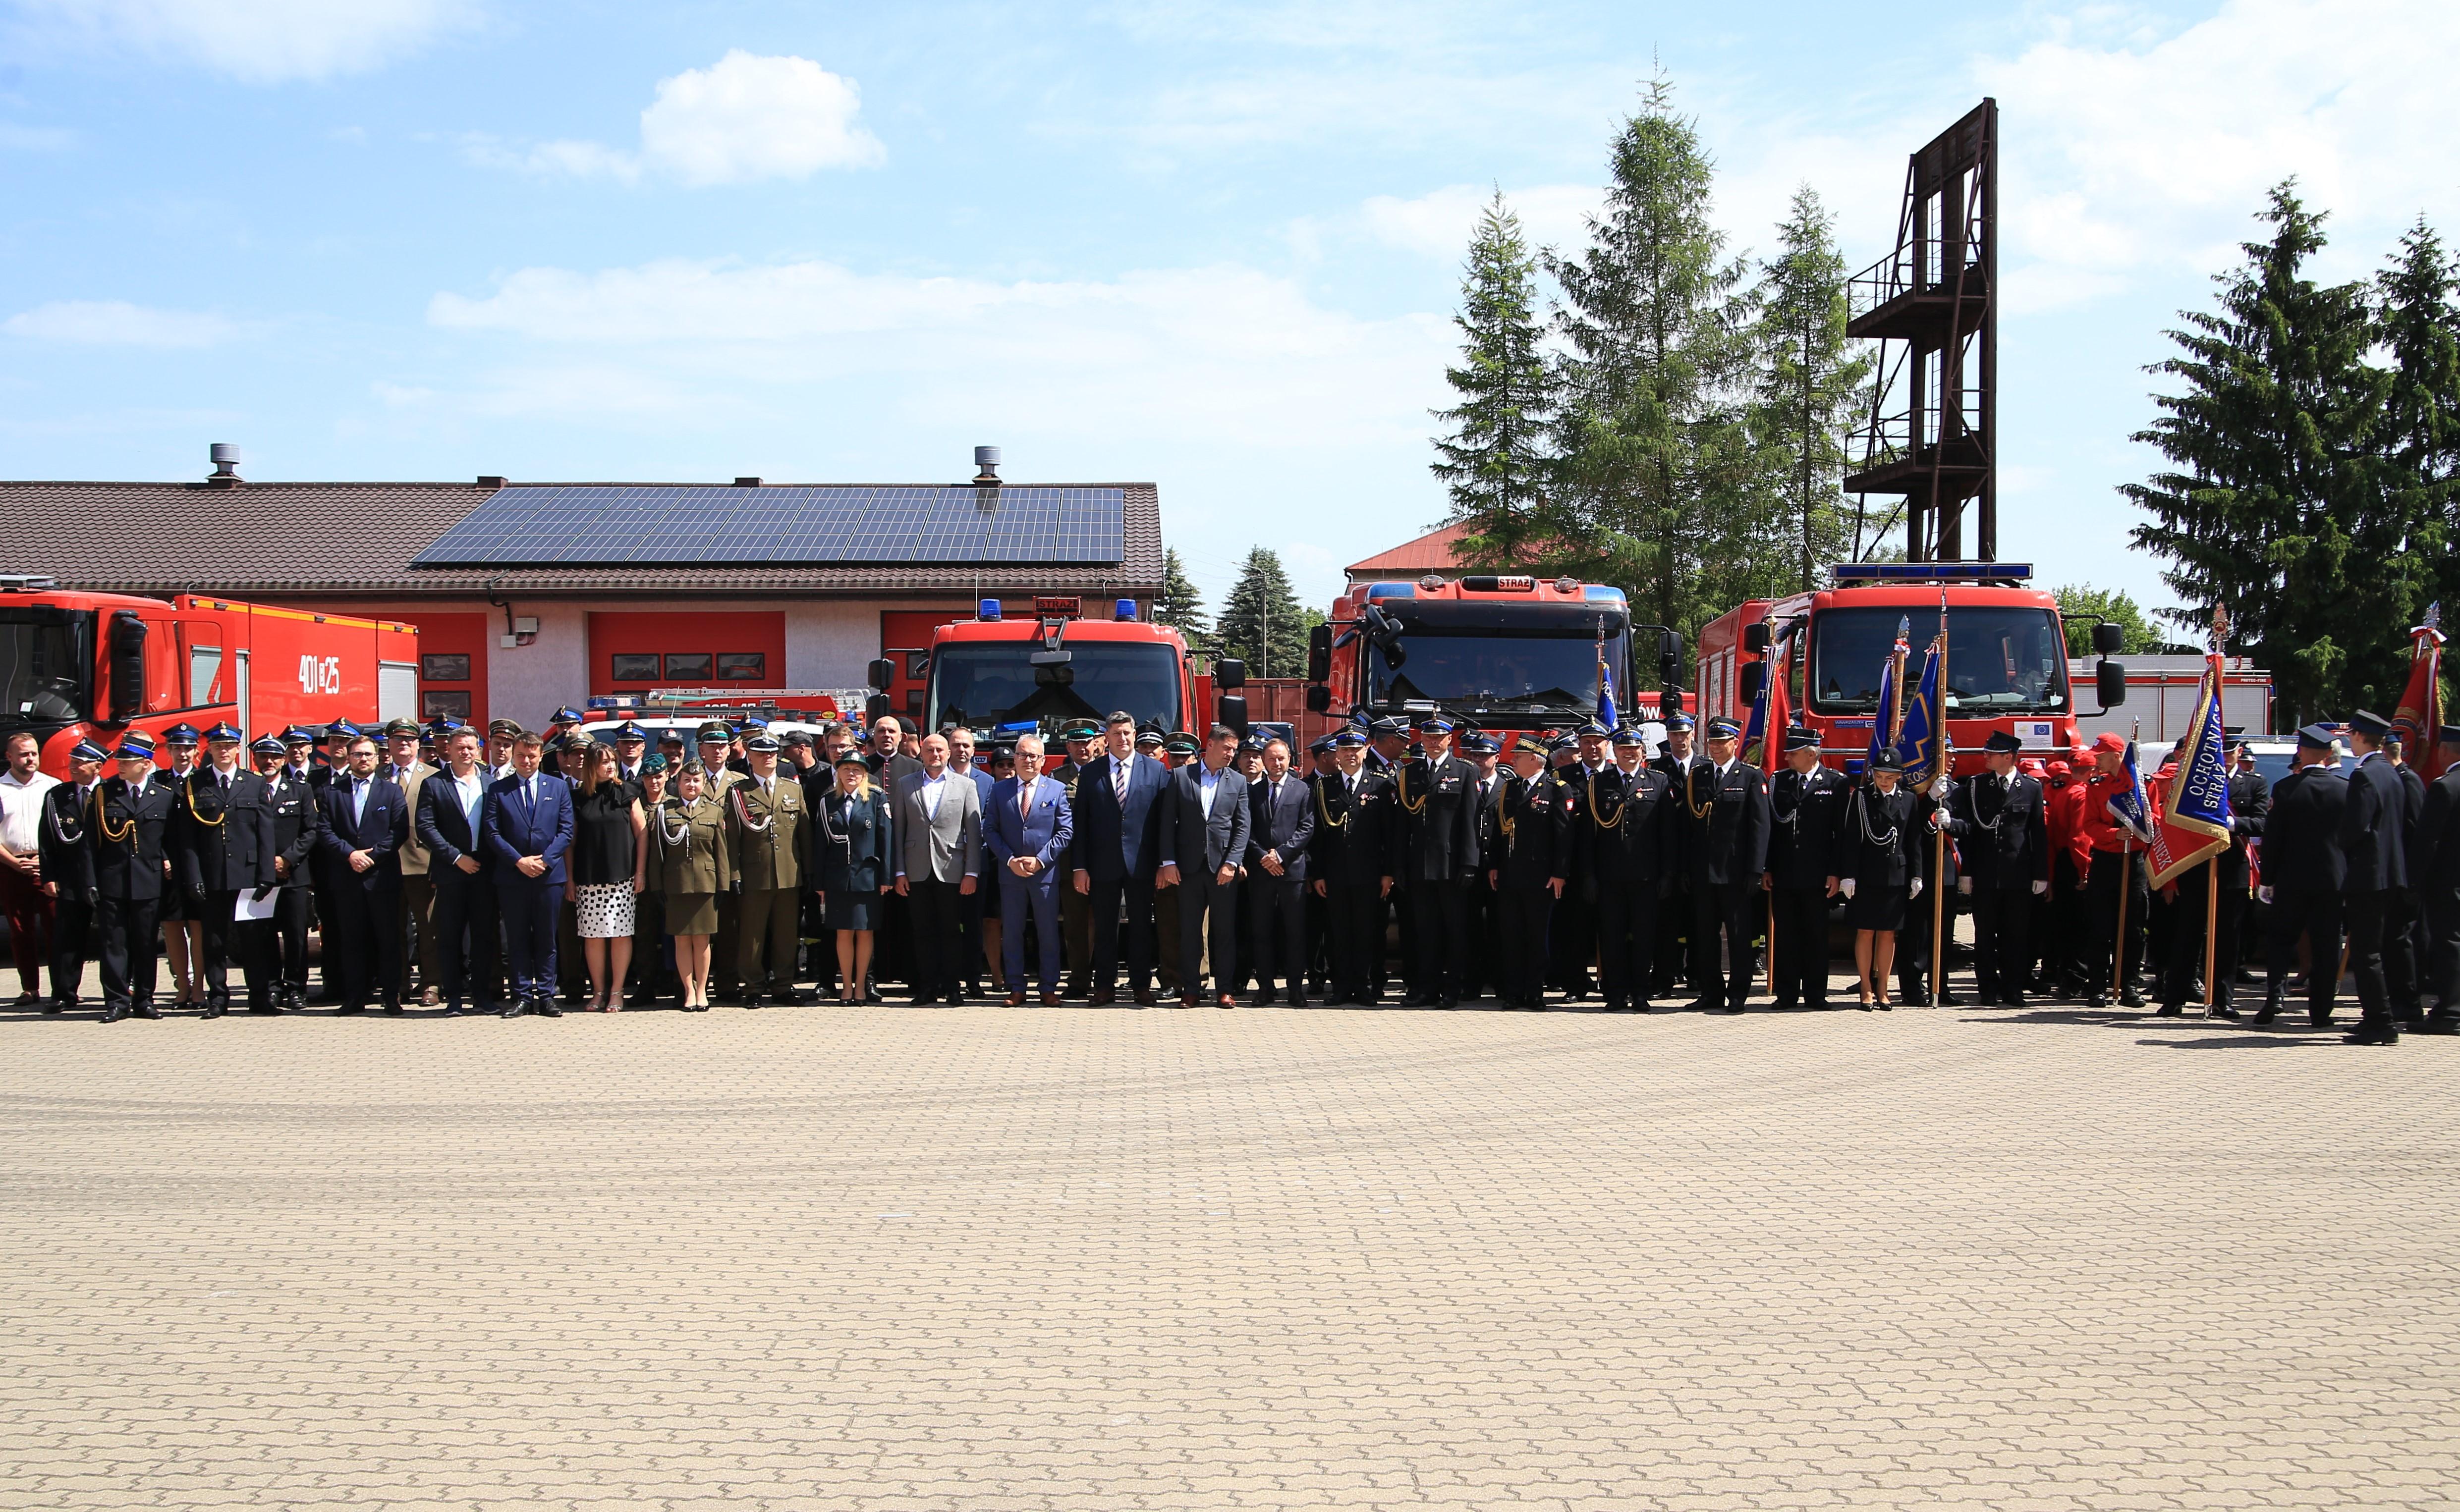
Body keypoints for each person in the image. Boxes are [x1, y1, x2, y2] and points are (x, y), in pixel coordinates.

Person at [1943, 730, 2051, 1007]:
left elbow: (2037, 834)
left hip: (2018, 875)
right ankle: (1988, 989)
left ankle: (2013, 988)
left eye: (1992, 753)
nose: (1986, 756)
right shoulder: (1977, 785)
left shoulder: (2031, 787)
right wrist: (1967, 871)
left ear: (2009, 757)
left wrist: (2041, 874)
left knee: (2015, 936)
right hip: (1986, 874)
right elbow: (1971, 832)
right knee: (1985, 936)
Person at [1070, 711, 1170, 1007]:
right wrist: (1080, 867)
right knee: (1105, 928)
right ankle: (1104, 986)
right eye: (1116, 733)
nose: (1122, 738)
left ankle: (1141, 986)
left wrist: (1164, 863)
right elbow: (1081, 824)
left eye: (1127, 733)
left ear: (1134, 735)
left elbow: (1164, 822)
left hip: (1143, 864)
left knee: (1141, 927)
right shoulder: (1091, 773)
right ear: (1107, 738)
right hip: (1103, 864)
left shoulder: (1156, 771)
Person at [172, 722, 271, 1020]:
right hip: (212, 874)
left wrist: (266, 875)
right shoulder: (196, 784)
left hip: (247, 874)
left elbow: (265, 833)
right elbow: (188, 839)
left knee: (253, 939)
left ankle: (259, 997)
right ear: (210, 750)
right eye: (218, 747)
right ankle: (217, 998)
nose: (224, 751)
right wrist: (194, 877)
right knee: (213, 940)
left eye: (228, 746)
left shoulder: (254, 783)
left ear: (238, 749)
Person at [1678, 716, 1772, 1014]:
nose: (1716, 747)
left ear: (1735, 743)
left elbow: (1760, 827)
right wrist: (1685, 868)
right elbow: (1688, 827)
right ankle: (1711, 993)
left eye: (1722, 742)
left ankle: (1738, 993)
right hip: (1703, 872)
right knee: (1705, 938)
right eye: (1713, 742)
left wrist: (1756, 870)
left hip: (1736, 873)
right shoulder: (1699, 775)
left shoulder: (1751, 777)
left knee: (1739, 937)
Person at [2257, 725, 2348, 1027]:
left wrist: (2267, 879)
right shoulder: (2345, 789)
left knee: (2281, 940)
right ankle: (2321, 1011)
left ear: (2301, 752)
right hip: (2332, 880)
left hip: (2291, 879)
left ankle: (2275, 997)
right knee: (2327, 945)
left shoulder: (2285, 789)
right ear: (2328, 754)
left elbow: (2273, 839)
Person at [1582, 727, 1677, 1012]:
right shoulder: (1599, 783)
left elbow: (1668, 834)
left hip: (1646, 876)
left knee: (1644, 938)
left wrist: (1667, 874)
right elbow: (1588, 835)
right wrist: (1589, 875)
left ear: (1642, 752)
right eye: (1623, 749)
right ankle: (1615, 994)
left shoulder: (1658, 782)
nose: (1629, 753)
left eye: (1634, 749)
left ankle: (1640, 993)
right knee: (1612, 937)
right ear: (1615, 752)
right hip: (1609, 876)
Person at [316, 734, 410, 1015]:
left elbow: (399, 831)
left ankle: (391, 997)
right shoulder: (332, 792)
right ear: (349, 758)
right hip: (347, 877)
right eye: (358, 754)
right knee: (352, 940)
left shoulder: (391, 791)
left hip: (382, 877)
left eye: (368, 754)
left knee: (388, 939)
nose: (363, 759)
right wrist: (350, 854)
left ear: (378, 758)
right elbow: (324, 831)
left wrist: (372, 856)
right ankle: (355, 997)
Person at [1393, 716, 1481, 1007]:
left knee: (1455, 932)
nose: (1432, 742)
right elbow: (1403, 825)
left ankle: (1452, 989)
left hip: (1451, 866)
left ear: (1449, 739)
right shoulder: (1410, 772)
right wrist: (1399, 865)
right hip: (1419, 866)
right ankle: (1426, 989)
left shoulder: (1465, 771)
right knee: (1425, 932)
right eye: (1428, 737)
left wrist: (1469, 864)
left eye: (1438, 737)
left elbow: (1470, 821)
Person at [484, 731, 573, 1019]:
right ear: (513, 756)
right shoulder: (499, 789)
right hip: (513, 876)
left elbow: (566, 830)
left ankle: (547, 996)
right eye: (521, 755)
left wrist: (545, 861)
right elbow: (492, 832)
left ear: (540, 756)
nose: (526, 761)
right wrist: (519, 861)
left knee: (547, 939)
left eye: (532, 756)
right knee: (518, 938)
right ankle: (521, 996)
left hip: (549, 877)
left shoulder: (558, 787)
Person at [1160, 725, 1250, 1008]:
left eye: (1234, 750)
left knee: (1223, 932)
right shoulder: (1180, 776)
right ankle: (1191, 990)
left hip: (1222, 868)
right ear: (1210, 745)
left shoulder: (1238, 781)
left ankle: (1224, 989)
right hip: (1188, 868)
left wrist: (1233, 862)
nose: (1231, 754)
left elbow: (1242, 826)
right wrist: (1169, 862)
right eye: (1227, 748)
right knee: (1190, 931)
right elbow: (1167, 823)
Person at [415, 726, 501, 1017]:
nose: (466, 752)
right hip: (451, 870)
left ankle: (482, 995)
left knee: (484, 936)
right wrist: (455, 857)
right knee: (450, 936)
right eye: (460, 747)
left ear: (479, 751)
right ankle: (453, 996)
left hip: (484, 870)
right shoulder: (434, 784)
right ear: (449, 750)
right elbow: (426, 827)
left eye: (470, 747)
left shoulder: (491, 784)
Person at [92, 736, 177, 1022]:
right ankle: (116, 1001)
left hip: (149, 880)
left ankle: (144, 999)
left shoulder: (163, 796)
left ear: (146, 764)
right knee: (114, 944)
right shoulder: (105, 793)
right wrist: (90, 880)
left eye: (127, 762)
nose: (121, 766)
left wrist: (168, 862)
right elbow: (90, 843)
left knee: (145, 943)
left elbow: (170, 840)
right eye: (120, 761)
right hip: (113, 880)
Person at [893, 733, 982, 1006]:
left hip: (952, 869)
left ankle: (953, 988)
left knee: (951, 931)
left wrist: (972, 872)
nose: (936, 755)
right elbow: (898, 830)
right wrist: (899, 871)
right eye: (930, 750)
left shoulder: (966, 785)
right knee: (922, 932)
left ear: (948, 753)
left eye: (940, 750)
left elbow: (974, 832)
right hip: (916, 870)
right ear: (922, 753)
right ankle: (927, 988)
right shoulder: (905, 784)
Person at [1309, 729, 1395, 1006]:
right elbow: (1318, 836)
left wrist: (1388, 872)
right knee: (1339, 933)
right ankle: (1342, 987)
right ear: (1337, 754)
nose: (1350, 755)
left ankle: (1365, 987)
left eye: (1355, 750)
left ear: (1365, 751)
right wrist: (1318, 874)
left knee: (1367, 932)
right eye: (1345, 750)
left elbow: (1390, 834)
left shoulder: (1380, 785)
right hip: (1335, 875)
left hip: (1370, 874)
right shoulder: (1325, 787)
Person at [1763, 728, 1846, 1011]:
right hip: (1785, 872)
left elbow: (1840, 834)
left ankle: (1815, 994)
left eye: (1793, 753)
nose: (1787, 758)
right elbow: (1772, 830)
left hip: (1818, 874)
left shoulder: (1835, 783)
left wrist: (1836, 872)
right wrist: (1768, 868)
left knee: (1816, 935)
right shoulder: (1780, 781)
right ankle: (1786, 994)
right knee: (1786, 936)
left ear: (1812, 755)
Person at [2339, 709, 2409, 1045]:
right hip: (2391, 873)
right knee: (2377, 949)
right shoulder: (2390, 772)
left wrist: (2342, 848)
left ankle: (2380, 1022)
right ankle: (2377, 1016)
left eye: (2351, 736)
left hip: (2368, 875)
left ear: (2358, 736)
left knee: (2366, 953)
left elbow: (2357, 827)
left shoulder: (2365, 775)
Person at [987, 732, 1072, 1005]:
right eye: (1023, 755)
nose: (1028, 760)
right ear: (1015, 758)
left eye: (1034, 756)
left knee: (1048, 933)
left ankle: (1048, 988)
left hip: (1044, 874)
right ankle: (1016, 987)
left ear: (1043, 760)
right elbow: (990, 830)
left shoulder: (1056, 789)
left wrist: (1041, 860)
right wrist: (1010, 860)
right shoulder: (999, 790)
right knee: (1012, 933)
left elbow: (1065, 831)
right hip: (1011, 874)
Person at [1485, 737, 1570, 1010]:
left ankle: (1534, 992)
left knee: (1537, 936)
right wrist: (1495, 864)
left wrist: (1559, 873)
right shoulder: (1510, 788)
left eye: (1519, 756)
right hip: (1510, 874)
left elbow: (1564, 835)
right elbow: (1500, 831)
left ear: (1535, 759)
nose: (1513, 760)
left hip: (1541, 877)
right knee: (1511, 935)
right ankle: (1514, 992)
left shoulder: (1557, 789)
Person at [728, 730, 811, 1009]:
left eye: (772, 753)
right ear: (750, 757)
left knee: (786, 935)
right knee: (752, 936)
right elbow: (732, 838)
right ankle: (752, 987)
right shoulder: (740, 792)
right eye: (761, 753)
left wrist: (809, 872)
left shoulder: (793, 789)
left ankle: (783, 986)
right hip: (755, 875)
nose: (768, 758)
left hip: (789, 873)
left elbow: (804, 834)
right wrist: (734, 874)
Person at [1835, 749, 1918, 1009]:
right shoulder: (1861, 797)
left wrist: (1917, 875)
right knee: (1865, 931)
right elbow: (1851, 838)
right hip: (1866, 874)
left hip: (1896, 874)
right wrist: (1848, 875)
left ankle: (1883, 987)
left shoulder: (1908, 799)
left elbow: (1913, 840)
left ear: (1899, 776)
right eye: (1879, 776)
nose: (1883, 781)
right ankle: (1866, 987)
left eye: (1889, 777)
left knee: (1888, 933)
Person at [569, 742, 646, 1012]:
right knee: (593, 937)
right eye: (604, 762)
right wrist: (570, 879)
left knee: (620, 934)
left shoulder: (628, 792)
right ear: (592, 766)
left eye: (613, 760)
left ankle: (617, 991)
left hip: (622, 877)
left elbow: (642, 833)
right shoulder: (578, 798)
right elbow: (571, 842)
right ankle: (599, 991)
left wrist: (640, 872)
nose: (611, 766)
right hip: (589, 878)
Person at [648, 761, 731, 1011]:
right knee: (682, 940)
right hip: (677, 884)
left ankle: (702, 990)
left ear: (703, 784)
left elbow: (721, 852)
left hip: (706, 885)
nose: (691, 785)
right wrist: (656, 885)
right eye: (686, 780)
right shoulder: (666, 811)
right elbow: (657, 853)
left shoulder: (714, 811)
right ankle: (688, 991)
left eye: (696, 780)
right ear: (678, 783)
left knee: (703, 941)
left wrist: (723, 885)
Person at [815, 751, 894, 1005]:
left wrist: (887, 877)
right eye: (846, 769)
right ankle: (846, 987)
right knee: (843, 933)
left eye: (857, 770)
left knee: (865, 932)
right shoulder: (828, 800)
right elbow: (820, 844)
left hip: (867, 877)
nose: (852, 774)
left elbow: (885, 839)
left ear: (865, 774)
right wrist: (820, 883)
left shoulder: (877, 798)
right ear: (838, 773)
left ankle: (861, 986)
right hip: (838, 878)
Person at [2079, 732, 2150, 1008]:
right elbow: (2089, 825)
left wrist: (2136, 828)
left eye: (2101, 755)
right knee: (2100, 926)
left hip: (2134, 862)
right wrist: (2114, 834)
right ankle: (2097, 987)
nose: (2096, 760)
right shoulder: (2097, 786)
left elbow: (2153, 820)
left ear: (2117, 756)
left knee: (2133, 927)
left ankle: (2128, 985)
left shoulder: (2143, 785)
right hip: (2106, 861)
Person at [1245, 734, 1316, 1007]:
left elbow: (1307, 828)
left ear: (1290, 760)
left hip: (1292, 873)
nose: (1277, 763)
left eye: (1281, 758)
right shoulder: (1252, 791)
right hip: (1262, 872)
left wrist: (1281, 855)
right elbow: (1246, 829)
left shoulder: (1302, 790)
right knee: (1262, 932)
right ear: (1264, 761)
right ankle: (1265, 988)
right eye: (1272, 759)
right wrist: (1264, 856)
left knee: (1295, 933)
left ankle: (1296, 989)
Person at [36, 740, 106, 1014]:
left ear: (97, 767)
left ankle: (117, 992)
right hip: (70, 877)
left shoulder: (110, 791)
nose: (73, 767)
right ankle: (63, 993)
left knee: (113, 937)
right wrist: (49, 876)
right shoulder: (58, 796)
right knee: (67, 939)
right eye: (73, 762)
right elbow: (47, 840)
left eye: (80, 763)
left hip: (105, 876)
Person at [254, 733, 323, 1011]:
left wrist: (287, 859)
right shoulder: (249, 789)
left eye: (275, 757)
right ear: (256, 760)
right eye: (263, 757)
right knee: (265, 935)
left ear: (283, 761)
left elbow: (311, 831)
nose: (269, 762)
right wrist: (267, 863)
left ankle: (296, 988)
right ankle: (272, 988)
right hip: (260, 875)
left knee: (296, 935)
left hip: (294, 874)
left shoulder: (300, 790)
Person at [380, 718, 440, 1006]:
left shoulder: (434, 776)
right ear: (389, 744)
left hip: (422, 862)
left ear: (418, 744)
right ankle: (399, 984)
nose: (404, 744)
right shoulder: (378, 775)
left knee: (428, 929)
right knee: (393, 930)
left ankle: (431, 984)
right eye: (398, 739)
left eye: (409, 739)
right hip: (385, 864)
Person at [0, 730, 60, 1007]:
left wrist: (44, 862)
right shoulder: (1, 789)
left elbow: (62, 833)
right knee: (20, 931)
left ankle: (62, 988)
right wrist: (13, 862)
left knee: (56, 928)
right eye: (24, 754)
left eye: (34, 753)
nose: (30, 759)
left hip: (46, 867)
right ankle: (30, 989)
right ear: (9, 757)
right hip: (11, 867)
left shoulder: (52, 787)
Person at [155, 722, 206, 1009]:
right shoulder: (157, 782)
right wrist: (163, 857)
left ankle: (199, 988)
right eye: (177, 749)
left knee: (199, 927)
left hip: (199, 866)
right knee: (172, 926)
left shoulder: (204, 780)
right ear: (169, 751)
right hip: (167, 867)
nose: (183, 754)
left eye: (188, 749)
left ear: (196, 751)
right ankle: (182, 986)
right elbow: (150, 829)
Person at [2414, 729, 2460, 1035]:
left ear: (2445, 751)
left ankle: (2450, 1011)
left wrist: (2415, 879)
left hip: (2447, 880)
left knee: (2448, 944)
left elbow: (2428, 841)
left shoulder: (2445, 787)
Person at [1053, 721, 1100, 998]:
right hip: (1070, 861)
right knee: (1075, 922)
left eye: (1087, 742)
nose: (1083, 748)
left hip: (1104, 858)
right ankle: (1079, 979)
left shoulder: (1108, 772)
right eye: (1077, 743)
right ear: (1068, 747)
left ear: (1096, 744)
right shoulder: (1057, 778)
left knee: (1105, 921)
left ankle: (1104, 978)